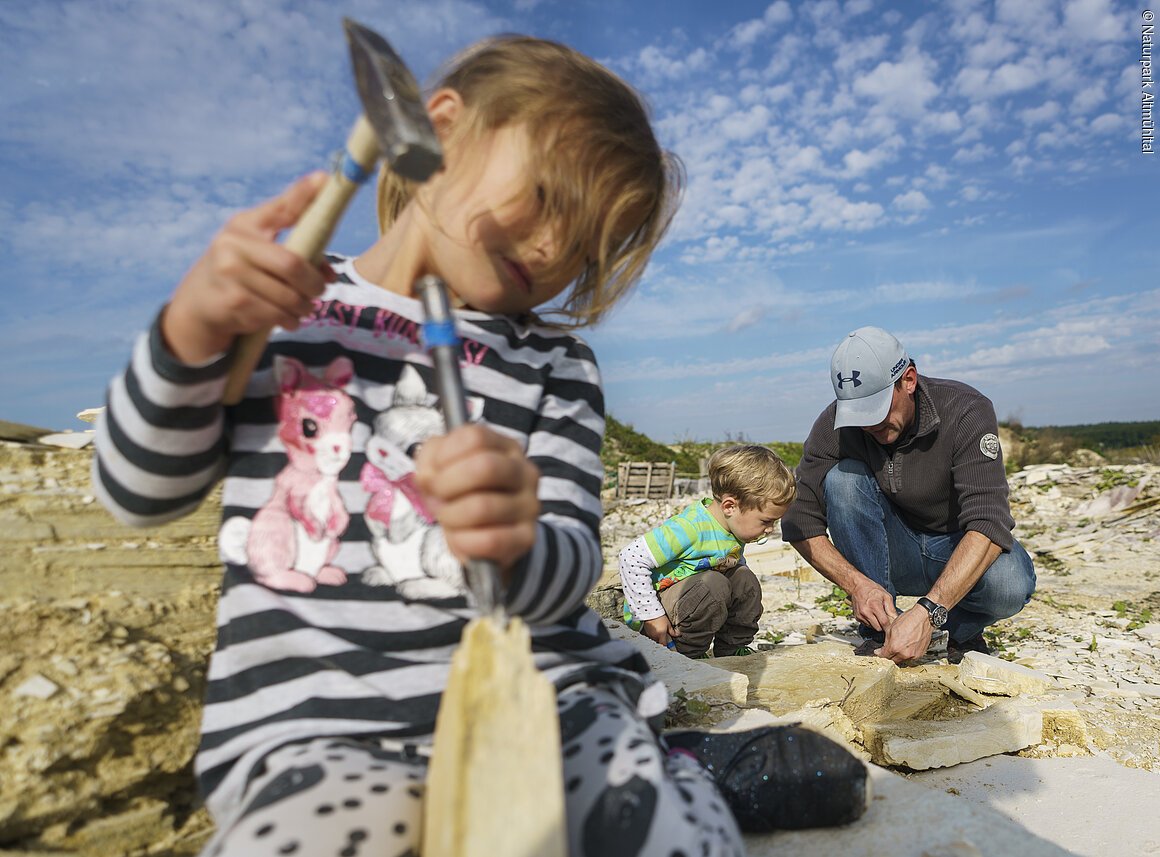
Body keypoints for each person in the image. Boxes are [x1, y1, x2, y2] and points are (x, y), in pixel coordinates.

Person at [93, 35, 866, 856]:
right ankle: (692, 760)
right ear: (445, 128)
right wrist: (188, 333)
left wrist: (517, 535)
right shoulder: (285, 309)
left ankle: (674, 768)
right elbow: (138, 490)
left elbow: (572, 561)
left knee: (674, 835)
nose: (549, 249)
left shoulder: (555, 364)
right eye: (545, 196)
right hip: (316, 727)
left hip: (538, 699)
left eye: (585, 245)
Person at [781, 326, 1037, 665]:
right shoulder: (835, 426)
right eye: (859, 414)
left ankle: (952, 632)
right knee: (843, 479)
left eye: (877, 409)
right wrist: (858, 585)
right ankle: (880, 630)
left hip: (954, 549)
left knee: (1010, 583)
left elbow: (989, 522)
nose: (870, 425)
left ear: (909, 380)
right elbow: (799, 521)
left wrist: (929, 612)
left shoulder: (966, 410)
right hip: (888, 552)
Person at [619, 445, 795, 659]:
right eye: (766, 521)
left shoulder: (732, 527)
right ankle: (686, 654)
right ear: (730, 506)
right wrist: (652, 617)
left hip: (691, 600)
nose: (770, 529)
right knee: (714, 584)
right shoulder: (690, 528)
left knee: (744, 578)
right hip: (660, 617)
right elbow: (631, 558)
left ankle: (732, 651)